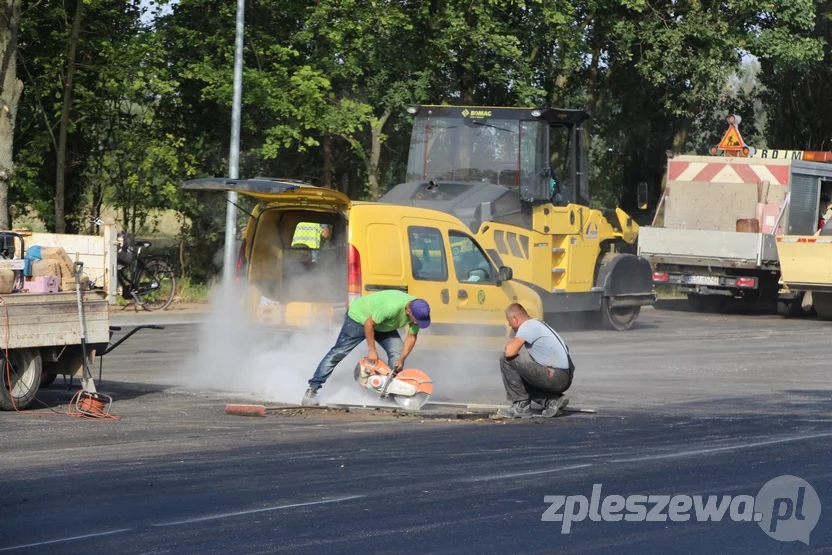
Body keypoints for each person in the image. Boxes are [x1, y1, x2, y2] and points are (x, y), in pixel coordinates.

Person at [302, 290, 431, 406]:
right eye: (416, 320)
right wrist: (372, 350)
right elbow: (369, 324)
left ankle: (390, 394)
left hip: (382, 324)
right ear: (408, 311)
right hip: (359, 318)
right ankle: (312, 389)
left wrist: (402, 359)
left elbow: (412, 336)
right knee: (338, 352)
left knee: (397, 354)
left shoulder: (418, 310)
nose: (416, 323)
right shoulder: (391, 308)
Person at [496, 302, 574, 418]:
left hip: (555, 376)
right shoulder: (538, 324)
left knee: (506, 360)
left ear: (515, 319)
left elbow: (509, 352)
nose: (509, 325)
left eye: (509, 322)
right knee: (520, 376)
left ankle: (521, 406)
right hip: (565, 376)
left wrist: (512, 338)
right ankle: (552, 401)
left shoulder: (527, 326)